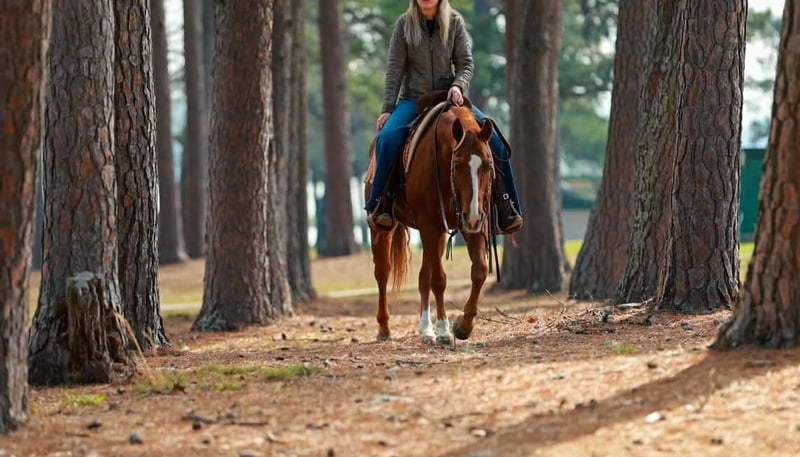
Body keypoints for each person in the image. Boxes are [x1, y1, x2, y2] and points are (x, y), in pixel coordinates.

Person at [365, 0, 523, 234]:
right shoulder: (403, 25)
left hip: (449, 98)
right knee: (387, 139)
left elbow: (465, 64)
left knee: (496, 141)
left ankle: (507, 206)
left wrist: (458, 86)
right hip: (412, 100)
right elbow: (394, 70)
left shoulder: (455, 23)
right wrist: (388, 108)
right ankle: (381, 205)